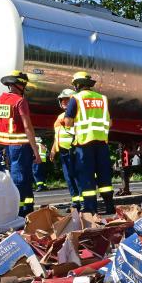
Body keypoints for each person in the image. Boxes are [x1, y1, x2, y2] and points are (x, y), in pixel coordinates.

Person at [62, 71, 114, 214]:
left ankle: (91, 210)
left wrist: (68, 123)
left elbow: (68, 122)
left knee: (86, 176)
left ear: (77, 85)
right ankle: (110, 206)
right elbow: (110, 123)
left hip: (84, 145)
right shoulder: (103, 99)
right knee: (104, 175)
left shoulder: (76, 99)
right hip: (102, 143)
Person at [0, 70, 40, 217]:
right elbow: (27, 126)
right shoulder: (20, 101)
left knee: (21, 177)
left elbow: (2, 122)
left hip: (8, 144)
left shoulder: (2, 99)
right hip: (20, 145)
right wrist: (36, 150)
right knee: (20, 179)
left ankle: (28, 208)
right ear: (20, 85)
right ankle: (19, 212)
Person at [50, 88, 82, 209]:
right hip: (63, 151)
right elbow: (57, 136)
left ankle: (82, 203)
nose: (63, 102)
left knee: (76, 176)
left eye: (66, 100)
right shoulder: (61, 116)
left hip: (73, 150)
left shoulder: (75, 115)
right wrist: (53, 150)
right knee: (69, 178)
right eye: (62, 100)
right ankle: (76, 201)